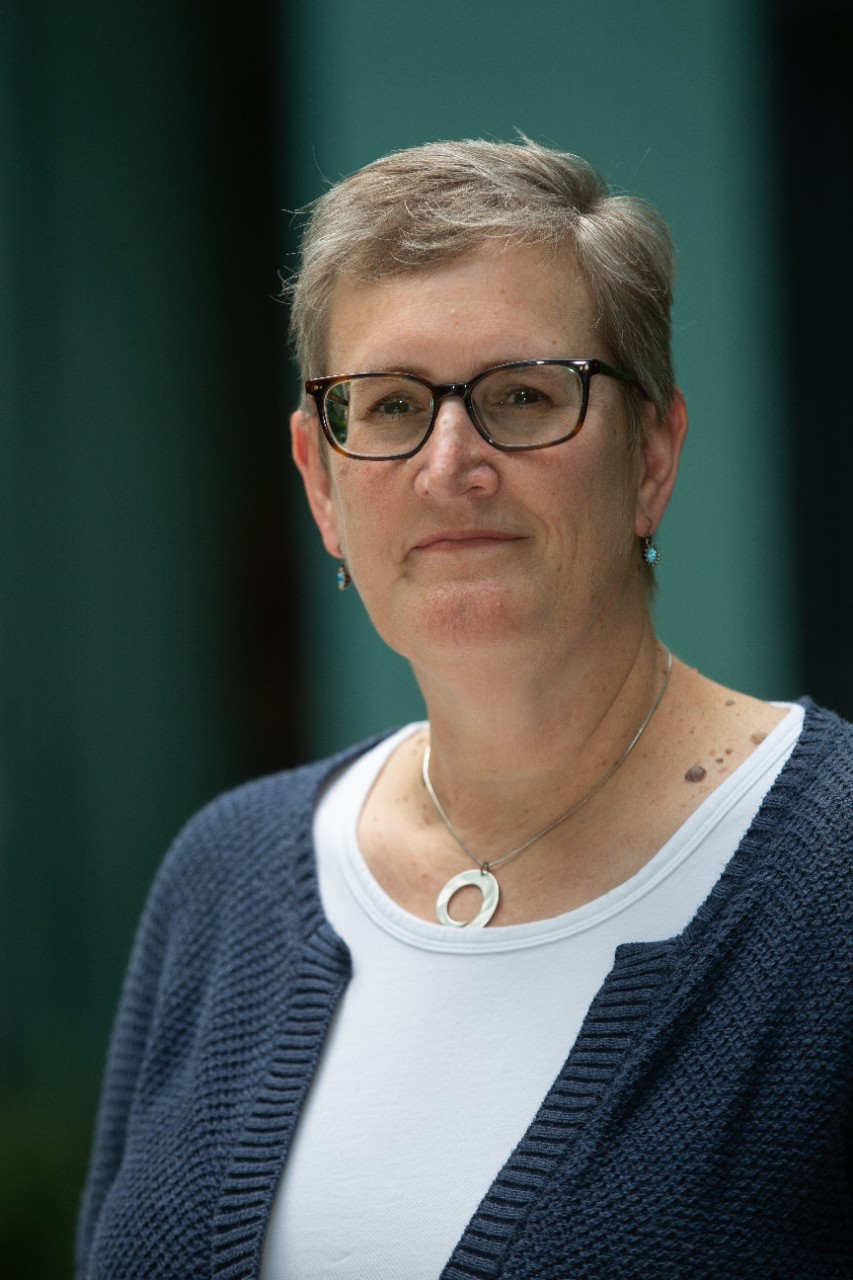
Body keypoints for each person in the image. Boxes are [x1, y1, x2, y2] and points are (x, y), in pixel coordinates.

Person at [76, 139, 852, 1279]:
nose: (451, 463)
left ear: (652, 453)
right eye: (388, 405)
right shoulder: (224, 875)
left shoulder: (831, 876)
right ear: (321, 480)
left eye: (523, 396)